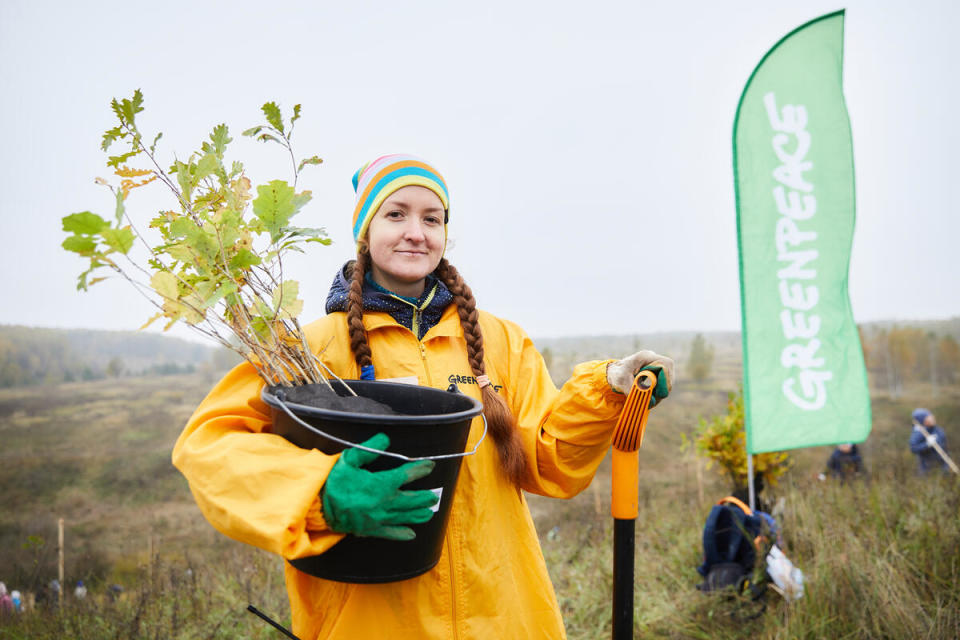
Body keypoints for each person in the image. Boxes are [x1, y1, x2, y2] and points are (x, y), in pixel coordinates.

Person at [173, 154, 675, 640]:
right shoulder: (308, 350)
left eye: (431, 218)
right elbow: (211, 447)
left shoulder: (501, 342)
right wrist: (320, 490)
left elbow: (550, 462)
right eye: (396, 214)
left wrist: (607, 389)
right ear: (365, 233)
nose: (416, 231)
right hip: (371, 623)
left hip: (505, 617)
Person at [909, 408, 950, 475]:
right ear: (922, 420)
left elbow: (944, 444)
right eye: (928, 417)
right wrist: (927, 444)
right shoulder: (918, 433)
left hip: (943, 463)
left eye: (931, 415)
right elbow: (913, 448)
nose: (932, 418)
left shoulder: (938, 430)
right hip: (927, 467)